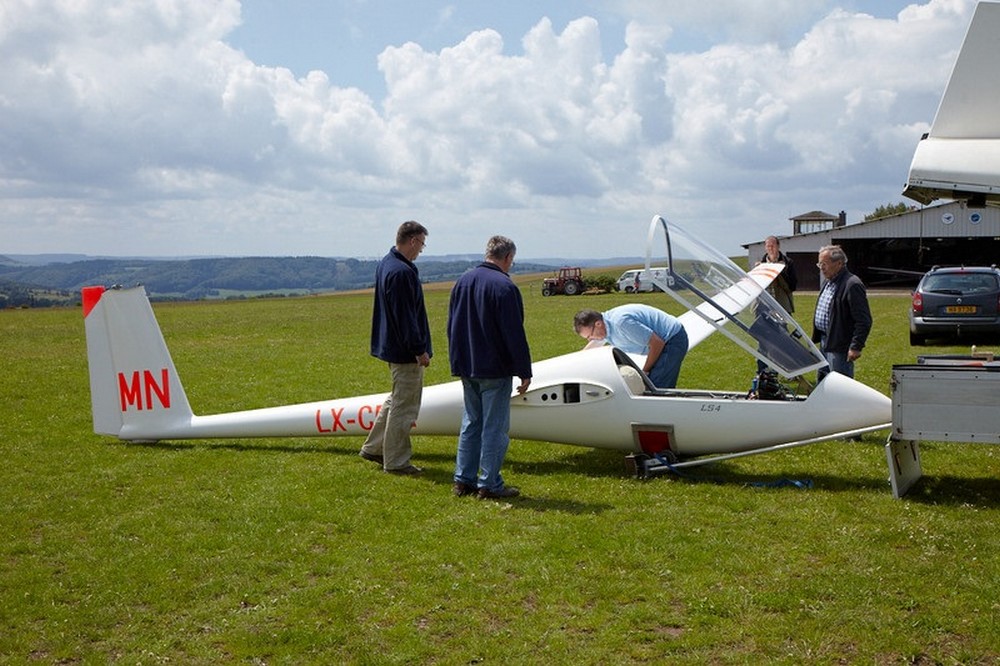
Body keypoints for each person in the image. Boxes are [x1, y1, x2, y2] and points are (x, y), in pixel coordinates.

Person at [447, 236, 532, 500]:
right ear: (507, 258)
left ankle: (463, 479)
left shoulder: (462, 282)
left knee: (471, 422)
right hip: (494, 368)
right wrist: (524, 370)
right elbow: (513, 333)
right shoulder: (504, 287)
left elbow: (452, 326)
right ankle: (489, 483)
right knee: (494, 427)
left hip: (467, 364)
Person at [359, 221, 432, 475]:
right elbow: (406, 317)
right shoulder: (401, 272)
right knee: (405, 406)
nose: (421, 250)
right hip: (405, 351)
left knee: (395, 400)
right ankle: (397, 461)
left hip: (391, 346)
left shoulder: (387, 264)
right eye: (421, 244)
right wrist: (419, 349)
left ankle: (374, 447)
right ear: (412, 240)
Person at [573, 304, 688, 389]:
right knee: (651, 386)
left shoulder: (621, 323)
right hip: (662, 342)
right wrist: (576, 361)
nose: (591, 339)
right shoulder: (604, 327)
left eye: (590, 335)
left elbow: (657, 343)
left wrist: (645, 371)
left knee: (656, 388)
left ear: (598, 324)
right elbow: (596, 344)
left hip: (672, 340)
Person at [811, 245, 872, 381]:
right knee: (823, 383)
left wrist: (856, 346)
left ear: (839, 264)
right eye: (819, 264)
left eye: (824, 264)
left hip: (839, 346)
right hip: (824, 341)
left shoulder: (852, 284)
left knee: (839, 385)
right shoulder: (828, 282)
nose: (821, 268)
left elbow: (864, 320)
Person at [759, 235, 798, 313]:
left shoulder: (788, 263)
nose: (770, 248)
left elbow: (793, 286)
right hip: (764, 306)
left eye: (773, 246)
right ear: (765, 248)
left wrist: (781, 272)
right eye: (768, 246)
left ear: (778, 246)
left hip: (782, 306)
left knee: (782, 325)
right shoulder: (760, 265)